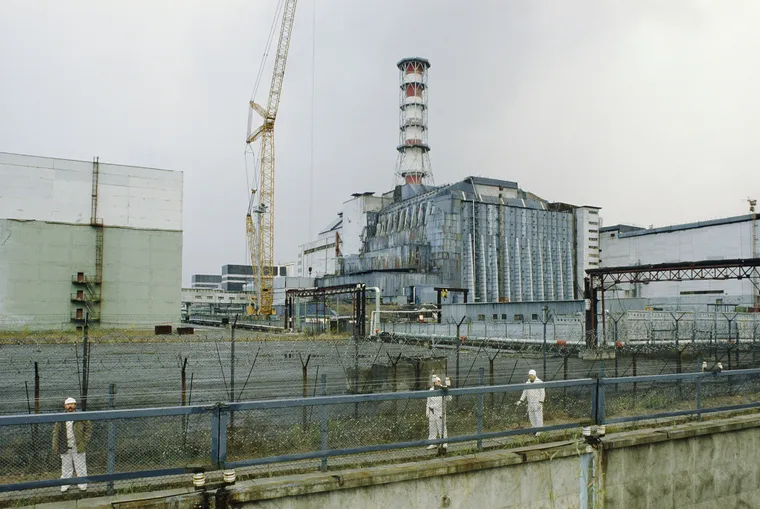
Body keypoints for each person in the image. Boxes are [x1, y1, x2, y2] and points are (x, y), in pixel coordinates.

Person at [52, 397, 92, 492]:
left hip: (77, 445)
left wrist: (84, 441)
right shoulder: (60, 418)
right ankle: (65, 484)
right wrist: (55, 445)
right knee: (66, 467)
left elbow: (89, 428)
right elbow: (56, 432)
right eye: (68, 404)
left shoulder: (81, 416)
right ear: (65, 406)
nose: (70, 406)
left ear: (75, 405)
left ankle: (82, 484)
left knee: (80, 465)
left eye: (72, 404)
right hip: (64, 445)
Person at [425, 375, 452, 450]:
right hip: (432, 411)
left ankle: (444, 442)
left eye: (438, 381)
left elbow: (449, 398)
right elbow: (428, 401)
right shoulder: (431, 390)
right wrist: (427, 411)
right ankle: (432, 443)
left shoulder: (443, 389)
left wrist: (447, 390)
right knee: (432, 427)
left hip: (440, 411)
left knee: (442, 427)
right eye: (436, 381)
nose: (437, 382)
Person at [516, 369, 545, 436]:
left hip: (537, 402)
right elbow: (525, 392)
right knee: (531, 416)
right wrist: (521, 400)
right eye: (529, 375)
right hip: (530, 402)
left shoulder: (540, 382)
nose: (530, 377)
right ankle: (534, 429)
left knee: (538, 416)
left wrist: (541, 402)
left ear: (534, 375)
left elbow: (542, 393)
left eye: (531, 375)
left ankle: (539, 431)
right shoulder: (528, 382)